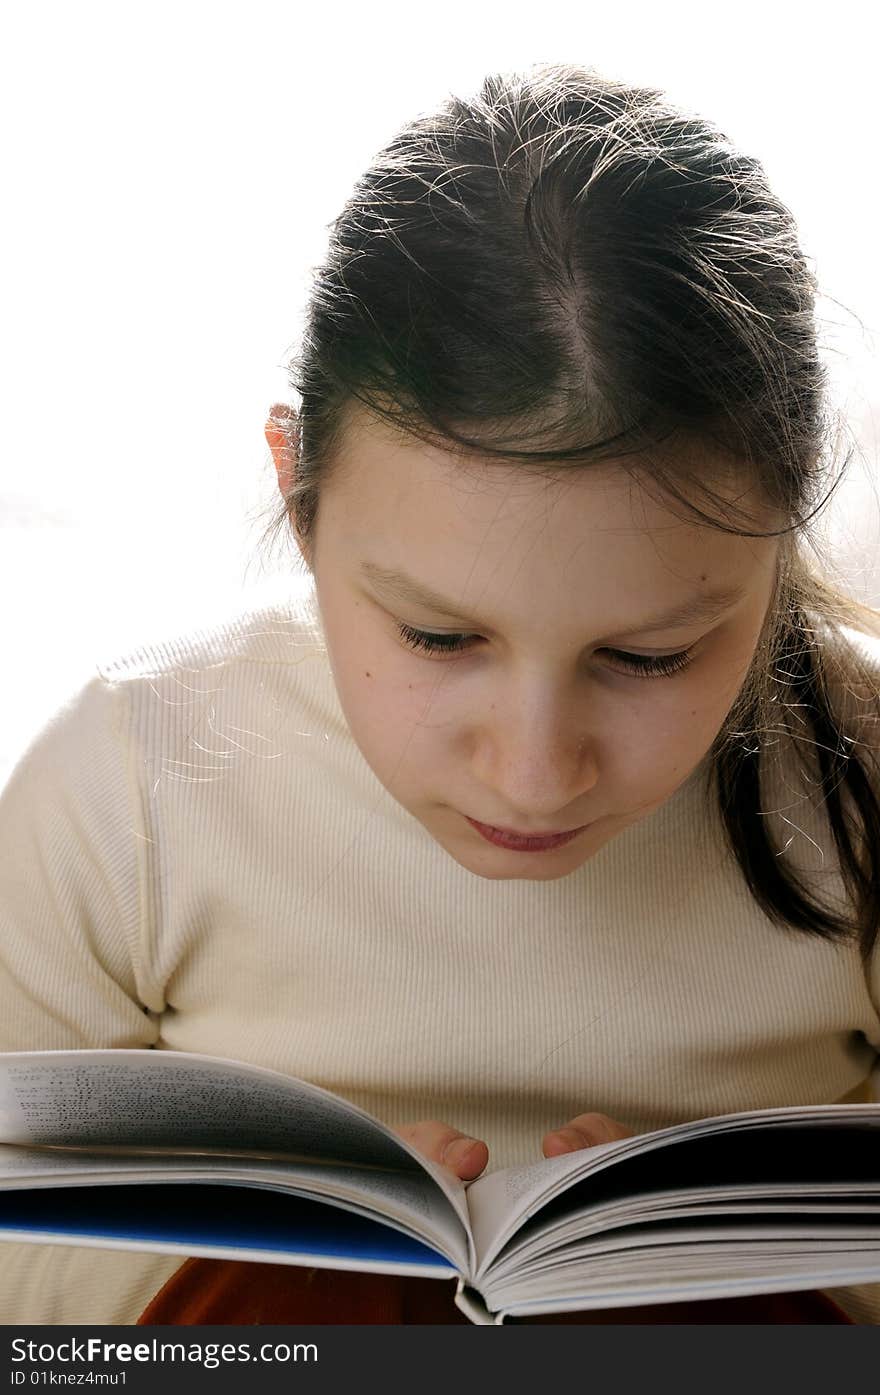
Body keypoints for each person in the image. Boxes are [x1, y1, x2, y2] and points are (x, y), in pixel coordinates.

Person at [1, 60, 879, 1327]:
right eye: (434, 635)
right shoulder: (129, 781)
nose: (532, 772)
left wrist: (717, 1276)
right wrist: (272, 1269)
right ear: (297, 495)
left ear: (785, 519)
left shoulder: (859, 768)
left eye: (648, 658)